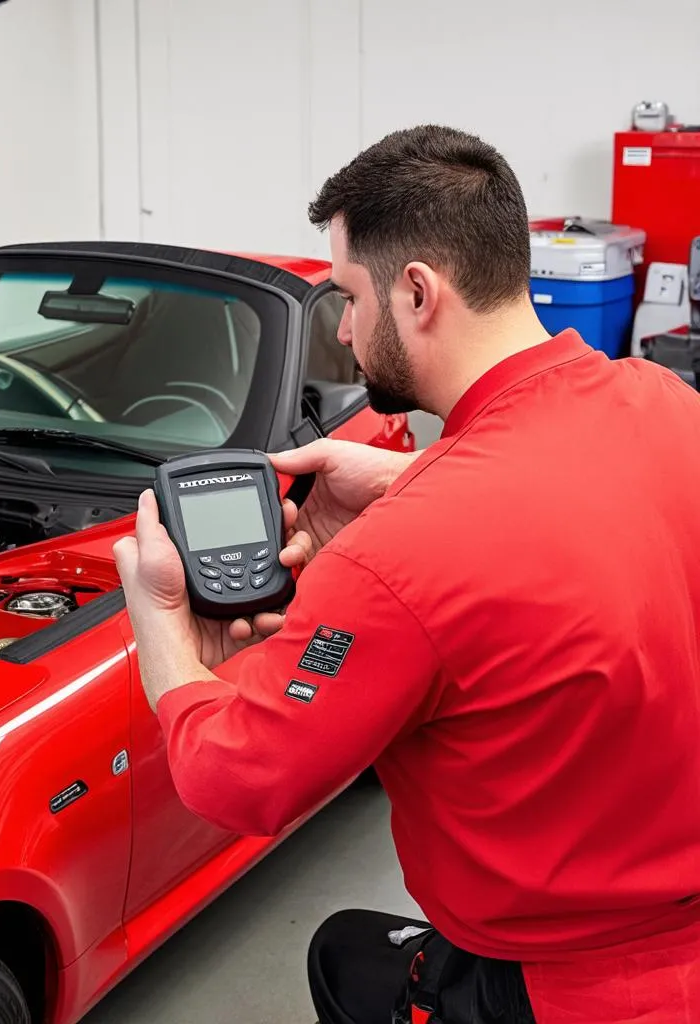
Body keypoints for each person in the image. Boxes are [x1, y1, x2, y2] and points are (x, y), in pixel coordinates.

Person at [112, 124, 700, 1023]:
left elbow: (240, 782)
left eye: (347, 296)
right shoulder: (665, 403)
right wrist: (416, 480)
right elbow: (579, 511)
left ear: (418, 291)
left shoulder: (406, 556)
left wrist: (159, 621)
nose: (343, 330)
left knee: (341, 956)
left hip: (558, 985)